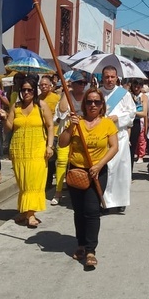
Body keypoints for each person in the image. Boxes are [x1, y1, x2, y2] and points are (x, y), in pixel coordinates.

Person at [58, 88, 118, 270]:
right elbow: (62, 143)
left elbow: (114, 147)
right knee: (79, 211)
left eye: (97, 102)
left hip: (97, 173)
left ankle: (91, 250)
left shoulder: (107, 123)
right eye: (89, 101)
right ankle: (81, 244)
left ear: (102, 105)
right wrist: (70, 126)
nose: (93, 105)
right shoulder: (77, 122)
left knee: (92, 211)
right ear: (84, 104)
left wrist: (99, 165)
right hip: (77, 172)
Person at [0, 74, 54, 228]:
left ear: (34, 91)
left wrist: (50, 146)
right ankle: (24, 211)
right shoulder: (16, 106)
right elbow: (9, 128)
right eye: (23, 90)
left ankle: (31, 214)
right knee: (23, 182)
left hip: (37, 149)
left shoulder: (41, 105)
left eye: (29, 90)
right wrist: (4, 117)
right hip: (18, 150)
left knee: (34, 182)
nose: (26, 93)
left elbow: (50, 126)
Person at [99, 66, 136, 212]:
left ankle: (120, 201)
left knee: (121, 170)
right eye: (106, 77)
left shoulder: (124, 94)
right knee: (106, 169)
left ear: (116, 78)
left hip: (119, 136)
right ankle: (105, 202)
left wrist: (118, 118)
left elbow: (132, 113)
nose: (109, 80)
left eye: (112, 77)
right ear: (102, 77)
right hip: (103, 137)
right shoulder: (98, 93)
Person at [53, 72, 88, 205]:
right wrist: (66, 91)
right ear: (72, 84)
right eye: (79, 82)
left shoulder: (86, 97)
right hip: (66, 131)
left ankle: (77, 187)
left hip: (81, 133)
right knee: (62, 160)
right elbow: (62, 110)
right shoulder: (67, 95)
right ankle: (58, 191)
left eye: (84, 83)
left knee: (78, 162)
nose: (82, 85)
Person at [38, 75, 61, 190]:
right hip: (43, 132)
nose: (44, 87)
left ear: (50, 86)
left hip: (55, 131)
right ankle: (47, 181)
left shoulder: (56, 98)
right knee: (48, 158)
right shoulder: (38, 100)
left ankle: (59, 180)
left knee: (56, 157)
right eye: (41, 85)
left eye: (46, 85)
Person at [129, 78, 148, 166]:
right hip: (127, 122)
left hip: (136, 123)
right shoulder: (128, 95)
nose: (136, 88)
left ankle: (130, 171)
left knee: (132, 147)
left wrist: (133, 112)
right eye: (134, 86)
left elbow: (144, 113)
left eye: (138, 87)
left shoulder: (144, 97)